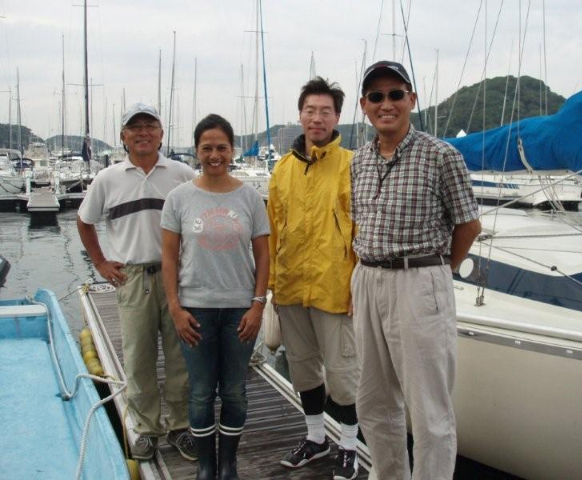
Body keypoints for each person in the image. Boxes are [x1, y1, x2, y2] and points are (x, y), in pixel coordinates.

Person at [350, 60, 482, 480]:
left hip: (419, 279)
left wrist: (440, 271)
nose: (385, 104)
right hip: (367, 279)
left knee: (429, 410)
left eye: (395, 94)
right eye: (376, 96)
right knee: (373, 401)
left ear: (411, 99)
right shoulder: (359, 161)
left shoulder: (441, 155)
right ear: (364, 105)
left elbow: (469, 225)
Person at [77, 103, 197, 461]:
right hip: (132, 279)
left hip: (178, 277)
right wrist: (100, 262)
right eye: (135, 127)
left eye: (150, 125)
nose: (143, 132)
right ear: (123, 136)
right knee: (138, 357)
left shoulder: (182, 174)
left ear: (161, 134)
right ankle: (146, 428)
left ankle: (180, 426)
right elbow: (85, 221)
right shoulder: (107, 179)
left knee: (181, 356)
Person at [161, 113, 270, 480]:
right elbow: (169, 258)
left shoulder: (250, 197)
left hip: (240, 309)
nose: (214, 155)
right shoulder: (179, 198)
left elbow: (263, 255)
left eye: (221, 147)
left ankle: (228, 464)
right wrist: (175, 308)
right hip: (195, 310)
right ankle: (206, 465)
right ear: (196, 151)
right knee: (201, 391)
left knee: (235, 391)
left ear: (232, 150)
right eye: (206, 148)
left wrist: (258, 305)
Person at [268, 77, 360, 480]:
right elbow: (272, 230)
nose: (317, 118)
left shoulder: (353, 164)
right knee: (303, 368)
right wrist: (272, 284)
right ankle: (316, 438)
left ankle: (349, 446)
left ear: (337, 117)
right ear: (300, 115)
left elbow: (362, 231)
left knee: (343, 374)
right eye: (310, 110)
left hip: (334, 287)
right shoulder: (282, 169)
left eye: (325, 111)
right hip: (290, 288)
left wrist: (358, 285)